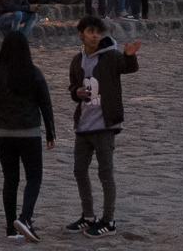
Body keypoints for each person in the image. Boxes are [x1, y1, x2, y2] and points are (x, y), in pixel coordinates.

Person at [66, 15, 141, 238]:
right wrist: (75, 92)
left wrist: (129, 57)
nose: (95, 35)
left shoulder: (110, 57)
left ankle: (109, 220)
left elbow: (128, 68)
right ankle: (88, 216)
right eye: (90, 31)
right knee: (79, 170)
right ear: (81, 34)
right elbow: (73, 86)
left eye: (98, 31)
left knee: (105, 173)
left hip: (105, 125)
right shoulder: (76, 60)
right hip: (83, 125)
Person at [0, 30, 55, 243]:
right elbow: (45, 104)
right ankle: (25, 217)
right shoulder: (33, 73)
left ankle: (10, 228)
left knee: (10, 179)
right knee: (34, 177)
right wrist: (51, 133)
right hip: (29, 133)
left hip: (3, 134)